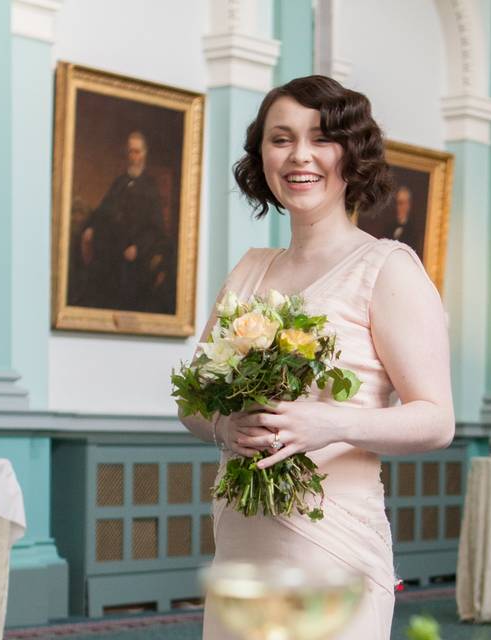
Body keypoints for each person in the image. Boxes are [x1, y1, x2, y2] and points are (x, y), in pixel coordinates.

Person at [179, 76, 455, 639]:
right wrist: (227, 425)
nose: (299, 155)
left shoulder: (388, 268)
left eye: (321, 139)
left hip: (331, 546)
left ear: (352, 155)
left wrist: (329, 422)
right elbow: (191, 403)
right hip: (243, 542)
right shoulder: (249, 269)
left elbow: (436, 418)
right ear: (261, 155)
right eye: (281, 139)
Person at [75, 131, 172, 312]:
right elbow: (102, 211)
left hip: (136, 259)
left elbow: (156, 229)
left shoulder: (150, 187)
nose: (133, 157)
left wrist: (138, 248)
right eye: (130, 152)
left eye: (137, 152)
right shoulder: (119, 182)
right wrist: (90, 228)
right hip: (112, 252)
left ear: (144, 154)